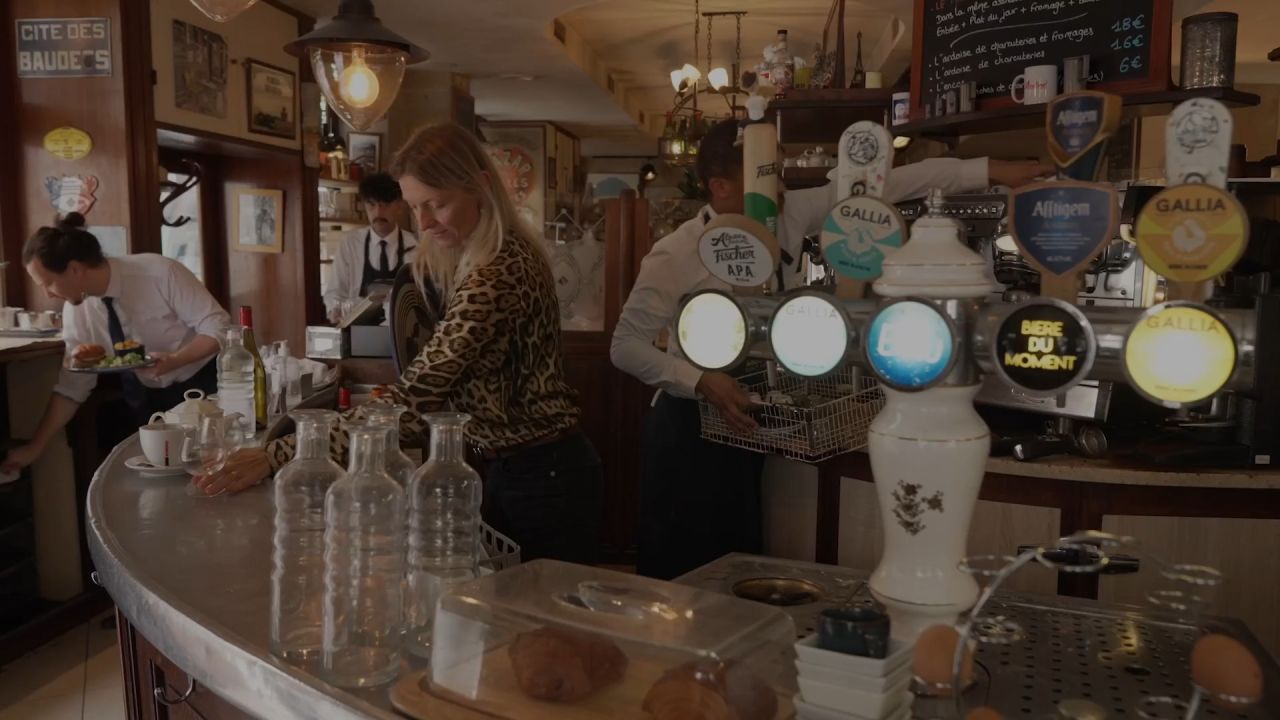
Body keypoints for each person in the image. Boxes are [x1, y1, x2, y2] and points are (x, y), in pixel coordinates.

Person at [612, 118, 1050, 579]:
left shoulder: (788, 213)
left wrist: (993, 170)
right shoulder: (675, 253)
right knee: (679, 577)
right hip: (688, 434)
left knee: (736, 572)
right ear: (719, 187)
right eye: (764, 179)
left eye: (777, 173)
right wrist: (701, 381)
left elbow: (890, 184)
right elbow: (625, 347)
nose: (778, 188)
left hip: (749, 429)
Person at [197, 123, 604, 565]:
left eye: (437, 204)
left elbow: (414, 404)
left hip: (545, 476)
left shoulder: (498, 273)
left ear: (482, 187)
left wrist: (279, 453)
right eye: (414, 207)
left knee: (541, 624)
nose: (424, 223)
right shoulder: (481, 255)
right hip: (516, 466)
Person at [2, 213, 230, 472]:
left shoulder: (159, 273)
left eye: (49, 284)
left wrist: (176, 360)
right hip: (147, 400)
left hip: (201, 387)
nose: (47, 294)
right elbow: (73, 385)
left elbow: (218, 325)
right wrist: (35, 446)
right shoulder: (77, 310)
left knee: (211, 472)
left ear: (75, 269)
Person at [323, 172, 417, 323]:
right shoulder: (350, 244)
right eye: (372, 205)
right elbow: (336, 291)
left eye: (385, 205)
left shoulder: (415, 246)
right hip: (357, 331)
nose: (378, 213)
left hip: (399, 332)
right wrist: (334, 309)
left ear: (399, 206)